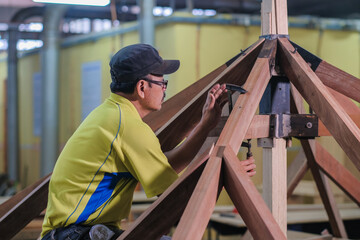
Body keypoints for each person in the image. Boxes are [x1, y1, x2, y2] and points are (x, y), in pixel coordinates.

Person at [41, 44, 256, 240]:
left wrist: (205, 125)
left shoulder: (113, 114)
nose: (165, 88)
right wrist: (227, 174)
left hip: (74, 232)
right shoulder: (127, 126)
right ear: (142, 87)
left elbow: (165, 166)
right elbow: (175, 196)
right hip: (73, 234)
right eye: (162, 82)